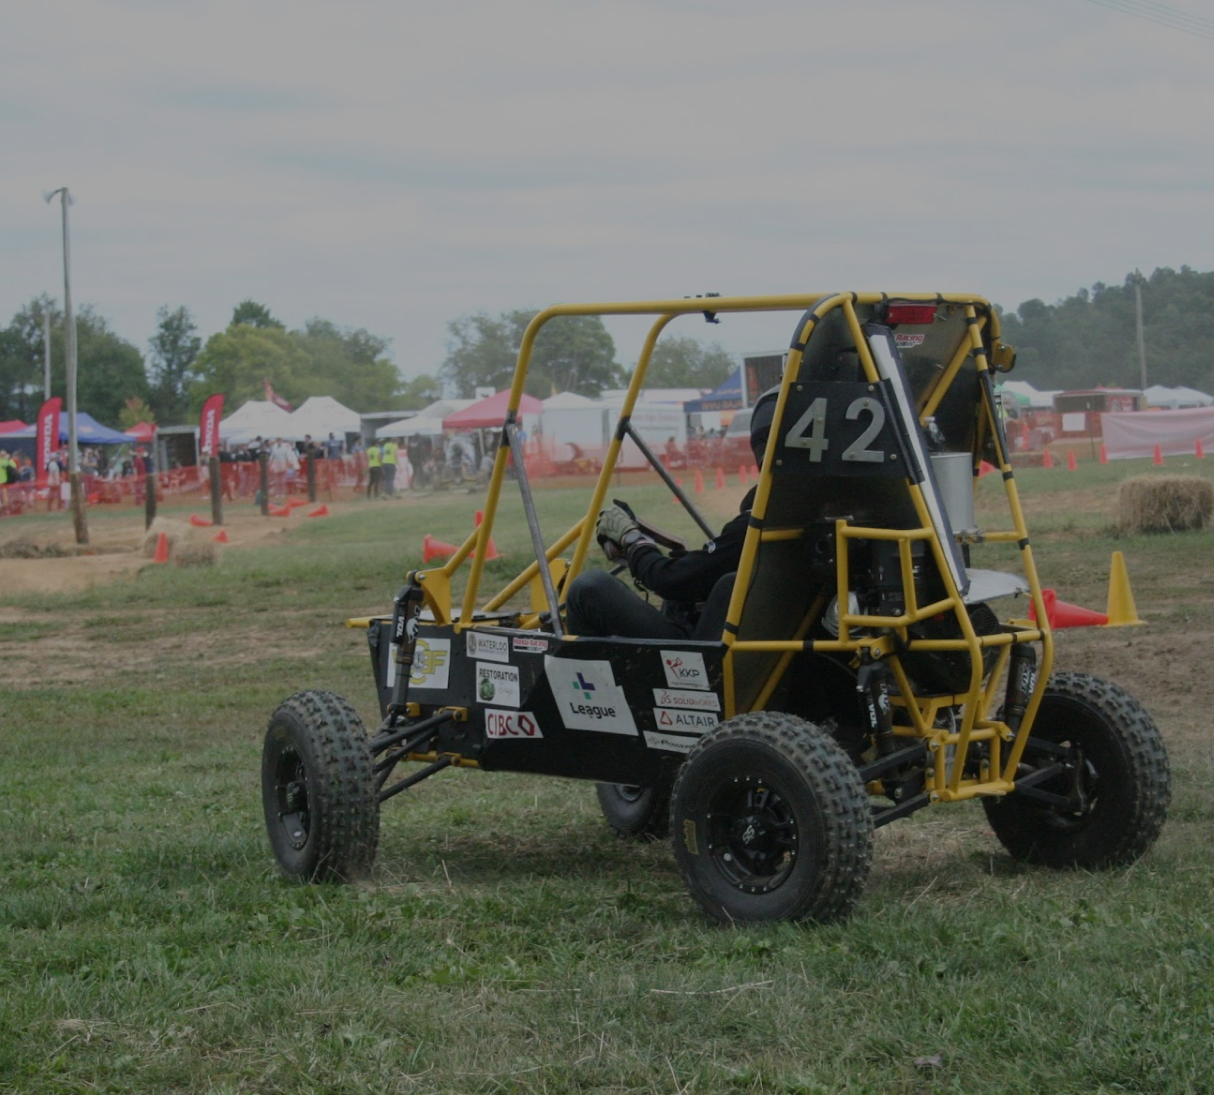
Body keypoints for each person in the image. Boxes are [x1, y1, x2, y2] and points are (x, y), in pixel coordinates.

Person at [565, 389, 778, 640]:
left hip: (701, 670)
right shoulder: (818, 518)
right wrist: (689, 564)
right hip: (768, 652)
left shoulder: (760, 524)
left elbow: (670, 581)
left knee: (587, 588)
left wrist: (635, 543)